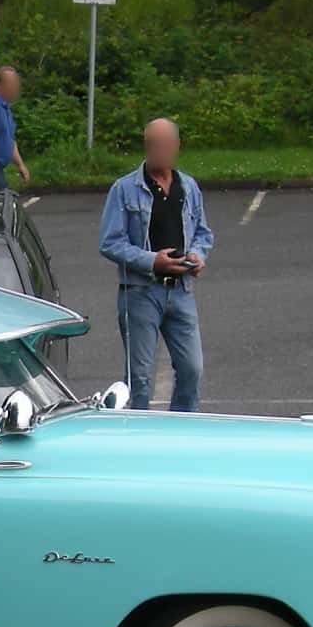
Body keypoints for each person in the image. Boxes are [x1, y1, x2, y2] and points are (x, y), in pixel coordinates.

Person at [98, 118, 213, 412]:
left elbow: (203, 232)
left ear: (176, 147)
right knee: (139, 381)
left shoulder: (188, 187)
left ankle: (180, 430)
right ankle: (138, 441)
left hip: (182, 291)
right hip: (140, 293)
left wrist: (198, 255)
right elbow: (110, 243)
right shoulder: (124, 189)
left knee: (192, 369)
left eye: (163, 145)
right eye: (151, 145)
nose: (157, 151)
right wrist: (153, 261)